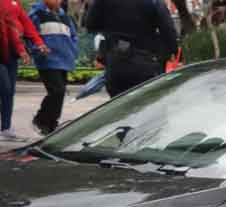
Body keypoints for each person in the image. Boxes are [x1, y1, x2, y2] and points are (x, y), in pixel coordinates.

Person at [85, 0, 177, 97]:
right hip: (145, 61)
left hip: (116, 60)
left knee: (119, 105)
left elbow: (90, 24)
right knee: (145, 104)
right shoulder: (154, 2)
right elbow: (168, 31)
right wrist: (169, 52)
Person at [27, 0, 76, 135]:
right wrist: (37, 50)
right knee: (57, 91)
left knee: (59, 93)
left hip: (64, 60)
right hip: (47, 60)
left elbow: (73, 36)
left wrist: (72, 52)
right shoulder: (37, 14)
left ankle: (51, 124)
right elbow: (29, 35)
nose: (58, 1)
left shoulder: (65, 16)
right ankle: (41, 119)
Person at [1, 0, 47, 141]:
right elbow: (9, 26)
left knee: (9, 92)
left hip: (10, 54)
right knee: (5, 88)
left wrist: (39, 43)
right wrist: (21, 50)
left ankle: (6, 128)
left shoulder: (14, 3)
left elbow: (26, 24)